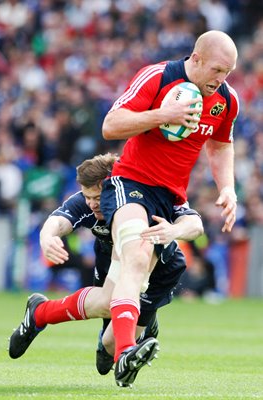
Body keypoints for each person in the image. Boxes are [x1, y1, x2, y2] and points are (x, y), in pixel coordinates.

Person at [100, 30, 239, 387]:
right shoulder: (158, 76)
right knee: (136, 255)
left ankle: (58, 321)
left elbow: (221, 146)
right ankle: (126, 354)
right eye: (217, 70)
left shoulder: (226, 99)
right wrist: (162, 114)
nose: (221, 79)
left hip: (172, 198)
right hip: (130, 182)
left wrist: (228, 189)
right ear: (196, 59)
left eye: (228, 72)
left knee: (112, 301)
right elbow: (110, 126)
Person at [8, 153, 204, 378]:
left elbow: (195, 224)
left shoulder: (150, 192)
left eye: (97, 197)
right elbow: (59, 219)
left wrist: (174, 230)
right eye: (87, 196)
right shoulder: (88, 202)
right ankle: (41, 314)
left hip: (162, 270)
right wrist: (47, 235)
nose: (92, 203)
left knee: (108, 347)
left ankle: (123, 340)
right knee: (106, 306)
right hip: (113, 259)